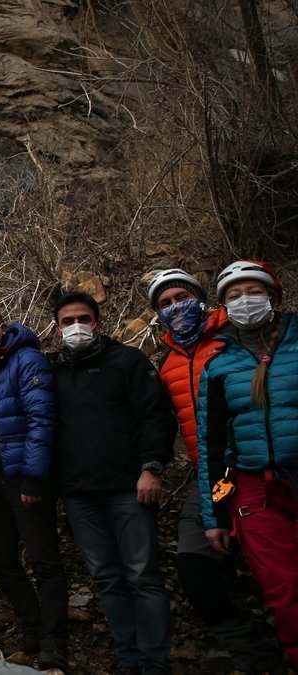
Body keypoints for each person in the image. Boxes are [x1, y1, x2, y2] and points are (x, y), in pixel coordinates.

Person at [148, 268, 283, 674]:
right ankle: (255, 658)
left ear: (202, 298)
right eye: (165, 304)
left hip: (263, 467)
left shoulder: (235, 340)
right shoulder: (166, 362)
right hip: (212, 476)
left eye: (181, 297)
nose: (176, 307)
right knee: (195, 568)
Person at [49, 291, 176, 675]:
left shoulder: (127, 361)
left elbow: (155, 416)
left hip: (128, 487)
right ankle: (129, 659)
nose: (76, 327)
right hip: (78, 493)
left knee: (142, 575)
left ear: (98, 323)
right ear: (56, 329)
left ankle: (154, 662)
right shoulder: (50, 370)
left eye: (83, 319)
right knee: (107, 578)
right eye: (67, 321)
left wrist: (151, 467)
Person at [197, 260, 298, 666]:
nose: (245, 301)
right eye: (234, 296)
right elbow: (213, 446)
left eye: (253, 292)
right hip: (255, 486)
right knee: (282, 586)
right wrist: (215, 515)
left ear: (272, 296)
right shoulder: (219, 365)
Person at [0, 303, 67, 669]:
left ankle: (55, 641)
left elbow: (41, 417)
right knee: (0, 558)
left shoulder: (26, 360)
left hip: (25, 476)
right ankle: (32, 626)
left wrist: (33, 475)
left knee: (43, 559)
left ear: (2, 327)